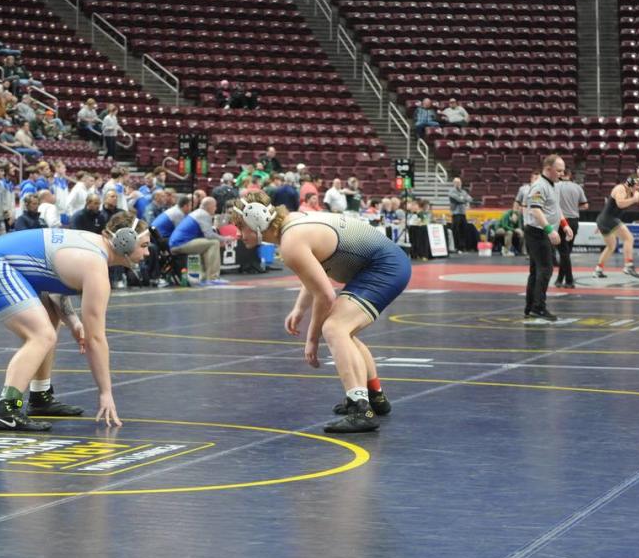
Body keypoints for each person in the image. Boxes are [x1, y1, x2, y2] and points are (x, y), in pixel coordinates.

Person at [229, 191, 411, 433]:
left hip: (384, 267)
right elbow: (315, 271)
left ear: (258, 222)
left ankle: (361, 410)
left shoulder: (291, 242)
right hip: (385, 263)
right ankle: (374, 397)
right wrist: (299, 308)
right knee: (345, 332)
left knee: (335, 328)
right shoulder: (293, 224)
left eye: (241, 228)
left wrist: (312, 339)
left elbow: (326, 295)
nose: (239, 235)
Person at [0, 212, 150, 430]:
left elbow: (54, 282)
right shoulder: (95, 266)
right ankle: (8, 408)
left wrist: (74, 323)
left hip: (1, 261)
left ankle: (40, 396)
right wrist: (106, 393)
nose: (147, 252)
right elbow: (96, 340)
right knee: (41, 335)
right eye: (144, 245)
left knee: (50, 321)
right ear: (124, 241)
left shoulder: (90, 247)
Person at [524, 155, 573, 321]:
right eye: (559, 170)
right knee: (545, 269)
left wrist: (564, 224)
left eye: (563, 170)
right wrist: (550, 230)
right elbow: (536, 210)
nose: (562, 173)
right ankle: (538, 307)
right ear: (548, 169)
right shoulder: (539, 186)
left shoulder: (555, 185)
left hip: (543, 231)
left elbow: (555, 207)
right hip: (537, 233)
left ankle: (531, 307)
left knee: (536, 270)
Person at [168, 196, 233, 285]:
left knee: (207, 245)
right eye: (215, 206)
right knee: (214, 243)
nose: (216, 208)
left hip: (177, 243)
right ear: (209, 206)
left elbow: (205, 236)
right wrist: (225, 239)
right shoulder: (203, 214)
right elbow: (209, 235)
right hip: (180, 244)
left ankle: (205, 277)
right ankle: (212, 277)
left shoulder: (197, 213)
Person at [592, 174, 639, 279]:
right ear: (630, 183)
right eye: (637, 185)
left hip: (604, 220)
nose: (638, 188)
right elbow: (620, 204)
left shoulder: (630, 191)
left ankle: (598, 270)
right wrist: (634, 199)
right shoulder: (620, 188)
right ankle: (628, 266)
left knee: (611, 246)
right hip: (608, 219)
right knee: (629, 238)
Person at [554, 172, 588, 288]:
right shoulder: (577, 187)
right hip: (574, 222)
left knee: (564, 253)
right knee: (566, 252)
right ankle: (559, 279)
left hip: (561, 221)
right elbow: (585, 206)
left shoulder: (555, 186)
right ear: (570, 175)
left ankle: (569, 280)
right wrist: (573, 206)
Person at [448, 177, 472, 253]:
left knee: (464, 230)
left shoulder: (463, 191)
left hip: (463, 213)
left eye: (459, 183)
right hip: (455, 213)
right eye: (457, 183)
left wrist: (463, 198)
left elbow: (470, 199)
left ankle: (462, 247)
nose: (459, 184)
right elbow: (458, 199)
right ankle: (456, 246)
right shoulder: (451, 191)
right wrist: (464, 199)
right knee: (456, 231)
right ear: (454, 183)